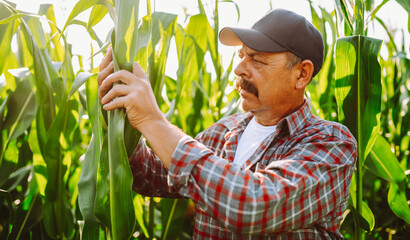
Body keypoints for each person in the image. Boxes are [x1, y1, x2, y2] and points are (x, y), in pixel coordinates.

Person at [97, 8, 357, 239]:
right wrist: (120, 123)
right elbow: (154, 177)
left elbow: (252, 207)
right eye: (242, 55)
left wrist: (153, 121)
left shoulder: (331, 144)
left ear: (302, 74)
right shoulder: (223, 132)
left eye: (257, 59)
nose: (239, 69)